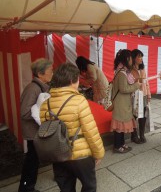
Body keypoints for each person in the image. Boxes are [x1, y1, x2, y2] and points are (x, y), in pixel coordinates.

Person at [39, 63, 105, 192]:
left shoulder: (45, 104)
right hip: (81, 156)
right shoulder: (79, 101)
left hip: (58, 155)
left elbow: (46, 131)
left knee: (66, 189)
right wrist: (98, 153)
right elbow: (90, 131)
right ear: (71, 81)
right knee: (89, 186)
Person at [18, 58, 53, 192]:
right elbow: (25, 113)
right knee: (31, 161)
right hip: (33, 132)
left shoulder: (40, 86)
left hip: (37, 131)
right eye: (50, 71)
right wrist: (41, 117)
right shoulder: (33, 89)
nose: (52, 73)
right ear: (40, 74)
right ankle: (26, 188)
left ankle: (28, 186)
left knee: (33, 160)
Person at [111, 49, 141, 153]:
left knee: (122, 125)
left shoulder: (122, 71)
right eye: (130, 59)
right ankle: (117, 146)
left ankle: (121, 144)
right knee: (119, 126)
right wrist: (136, 85)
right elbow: (124, 89)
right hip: (121, 103)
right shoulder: (122, 73)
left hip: (122, 102)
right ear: (126, 59)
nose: (131, 61)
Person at [131, 49, 151, 144]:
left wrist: (149, 94)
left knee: (143, 115)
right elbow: (129, 82)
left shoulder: (142, 69)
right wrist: (138, 79)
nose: (141, 58)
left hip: (143, 94)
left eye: (141, 56)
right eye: (138, 56)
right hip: (134, 94)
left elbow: (146, 82)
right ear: (133, 58)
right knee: (133, 115)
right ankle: (134, 135)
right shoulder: (130, 69)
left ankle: (142, 134)